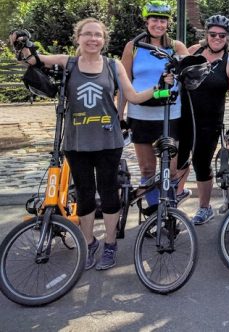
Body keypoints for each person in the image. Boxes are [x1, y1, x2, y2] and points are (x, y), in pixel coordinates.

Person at [10, 20, 170, 271]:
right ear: (78, 38)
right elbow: (33, 59)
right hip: (76, 142)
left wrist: (161, 89)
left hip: (109, 141)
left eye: (98, 35)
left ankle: (109, 244)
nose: (93, 39)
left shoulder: (113, 65)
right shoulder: (67, 62)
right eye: (88, 34)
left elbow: (134, 96)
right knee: (84, 196)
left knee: (108, 193)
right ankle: (88, 242)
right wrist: (19, 42)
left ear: (104, 40)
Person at [119, 1, 189, 210]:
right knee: (148, 168)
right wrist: (119, 113)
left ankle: (169, 210)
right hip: (140, 113)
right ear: (146, 21)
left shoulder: (176, 47)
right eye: (154, 19)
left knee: (172, 168)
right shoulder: (133, 47)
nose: (159, 24)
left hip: (170, 112)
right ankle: (152, 212)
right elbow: (124, 83)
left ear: (168, 23)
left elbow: (188, 77)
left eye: (163, 20)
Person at [176, 15, 229, 225]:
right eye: (213, 34)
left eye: (222, 35)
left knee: (201, 163)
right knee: (178, 160)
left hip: (210, 121)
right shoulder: (194, 51)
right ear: (206, 35)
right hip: (185, 116)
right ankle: (176, 200)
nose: (217, 38)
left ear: (227, 38)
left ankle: (205, 207)